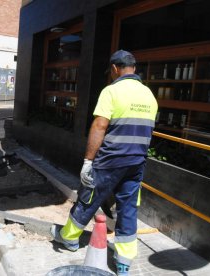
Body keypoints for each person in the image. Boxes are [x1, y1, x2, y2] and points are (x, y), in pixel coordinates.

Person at [51, 50, 158, 276]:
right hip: (136, 162)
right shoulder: (149, 94)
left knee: (89, 197)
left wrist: (88, 161)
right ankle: (123, 261)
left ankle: (69, 238)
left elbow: (99, 126)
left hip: (110, 160)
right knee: (128, 209)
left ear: (115, 69)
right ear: (134, 69)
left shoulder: (112, 91)